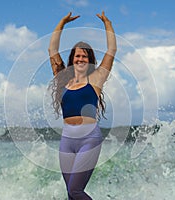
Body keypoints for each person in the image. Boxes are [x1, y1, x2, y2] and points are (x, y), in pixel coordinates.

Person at [48, 11, 116, 200]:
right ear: (72, 59)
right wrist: (61, 23)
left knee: (75, 191)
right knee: (70, 194)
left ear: (89, 60)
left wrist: (107, 24)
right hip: (67, 139)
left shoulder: (96, 80)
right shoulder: (63, 79)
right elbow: (52, 51)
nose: (80, 59)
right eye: (78, 56)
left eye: (85, 57)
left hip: (89, 139)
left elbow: (111, 52)